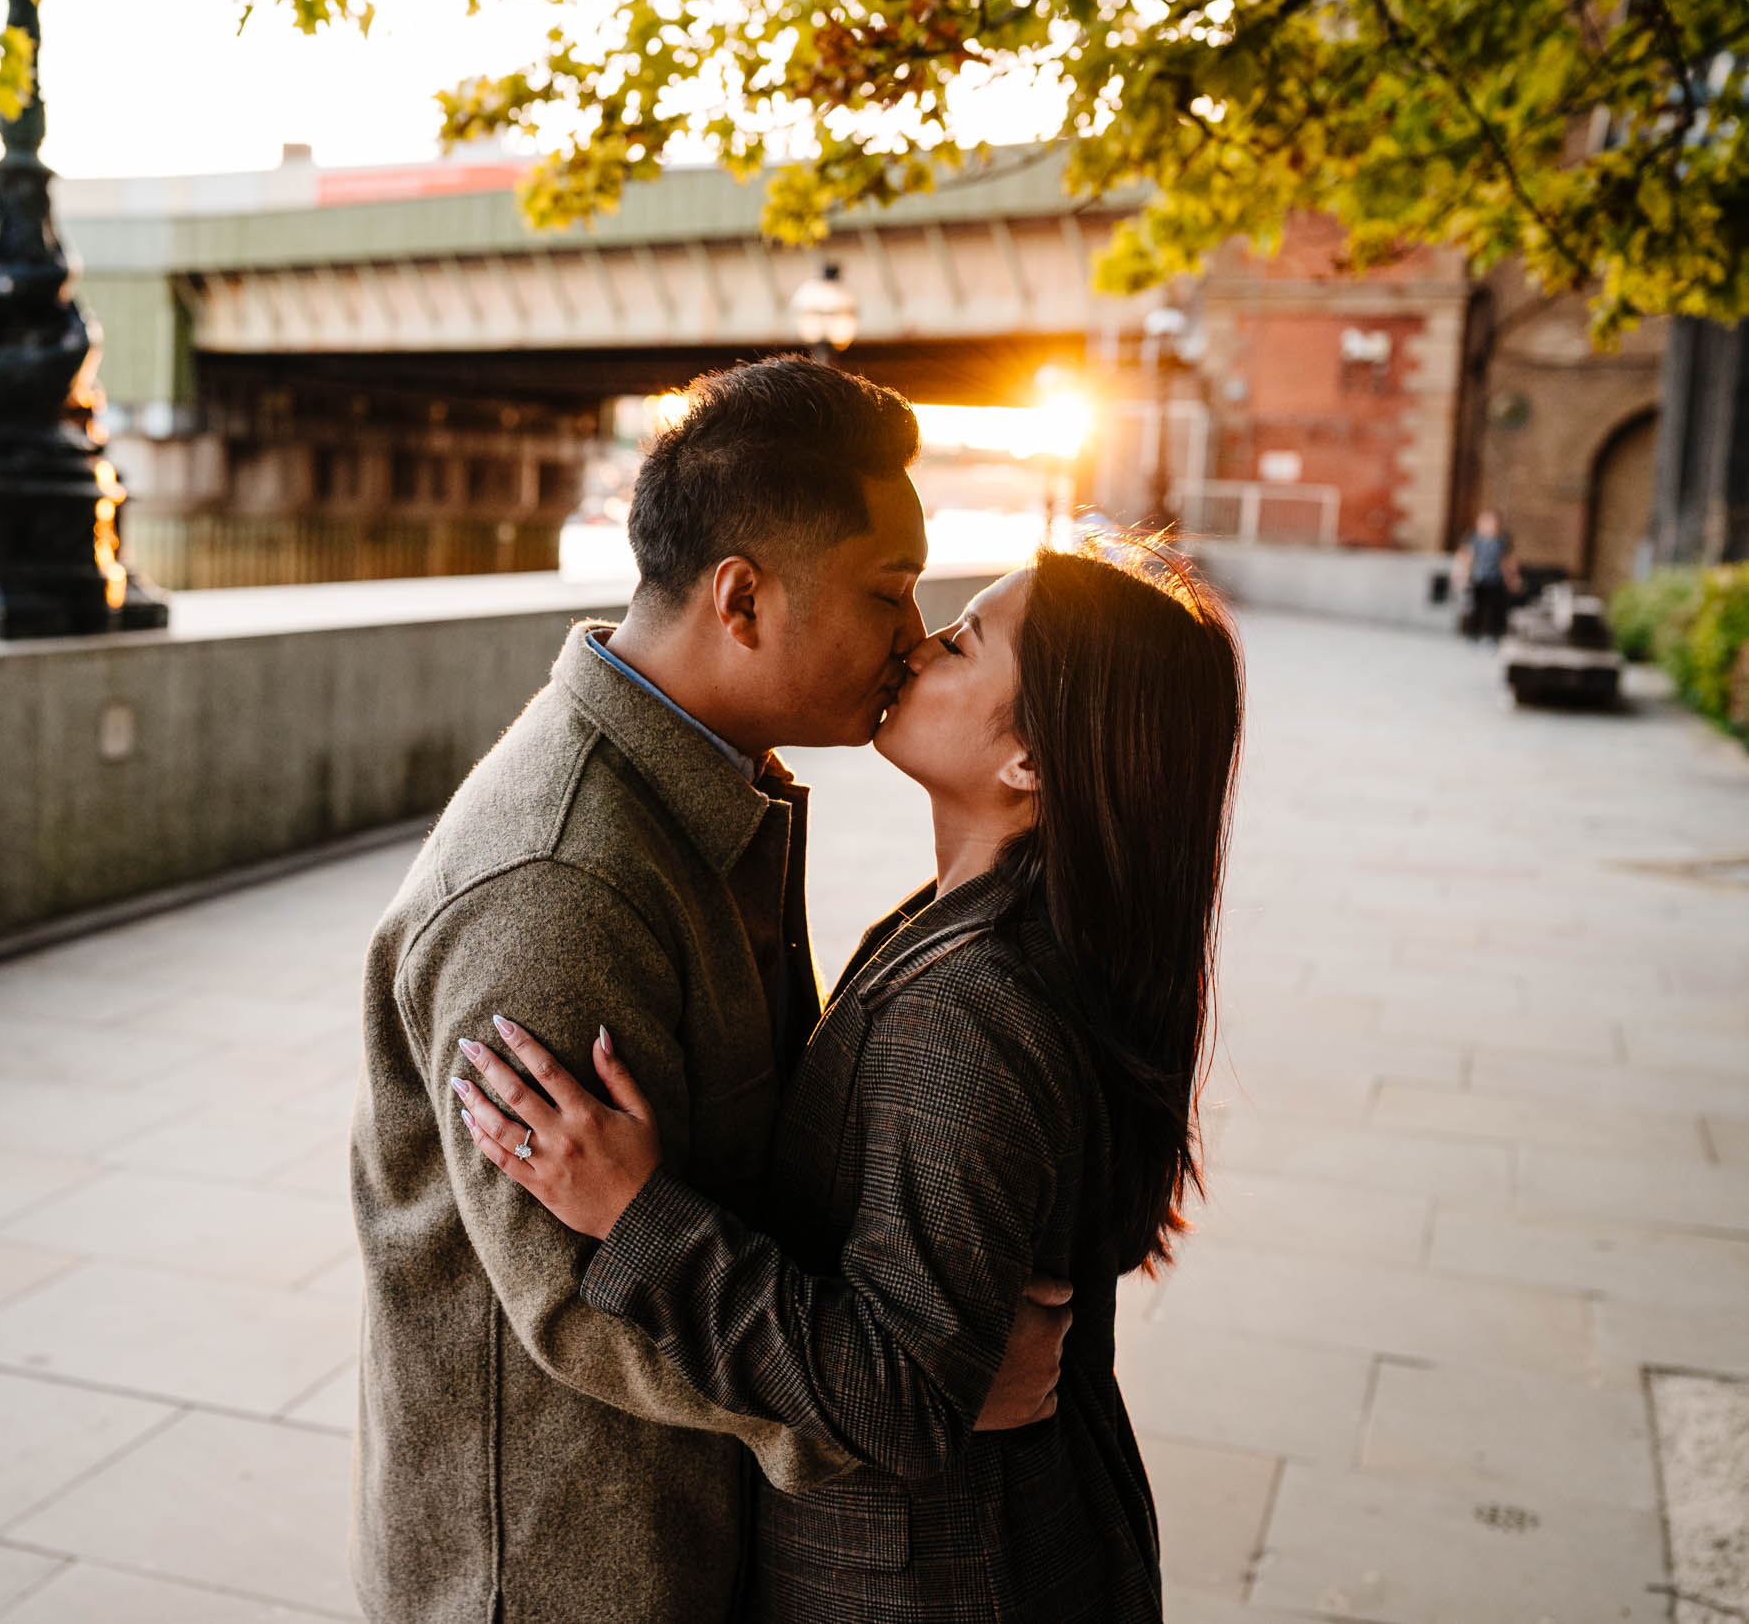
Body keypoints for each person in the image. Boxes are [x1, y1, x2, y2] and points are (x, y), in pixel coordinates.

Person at [351, 357, 1074, 1624]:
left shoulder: (698, 791)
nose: (913, 635)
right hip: (564, 1571)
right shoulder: (559, 884)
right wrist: (908, 1386)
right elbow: (581, 1294)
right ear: (742, 597)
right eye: (887, 591)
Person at [456, 540, 1244, 1621]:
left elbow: (904, 1395)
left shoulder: (971, 1008)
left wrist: (635, 1213)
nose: (918, 642)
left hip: (938, 1580)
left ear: (1030, 760)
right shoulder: (993, 933)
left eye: (963, 640)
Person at [1454, 510, 1522, 641]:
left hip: (1496, 579)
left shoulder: (1502, 540)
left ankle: (1493, 634)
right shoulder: (1473, 538)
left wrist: (1512, 578)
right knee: (1474, 607)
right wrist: (1462, 574)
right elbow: (1466, 557)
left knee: (1495, 607)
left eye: (1492, 522)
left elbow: (1507, 561)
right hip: (1478, 578)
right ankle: (1472, 633)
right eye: (1486, 522)